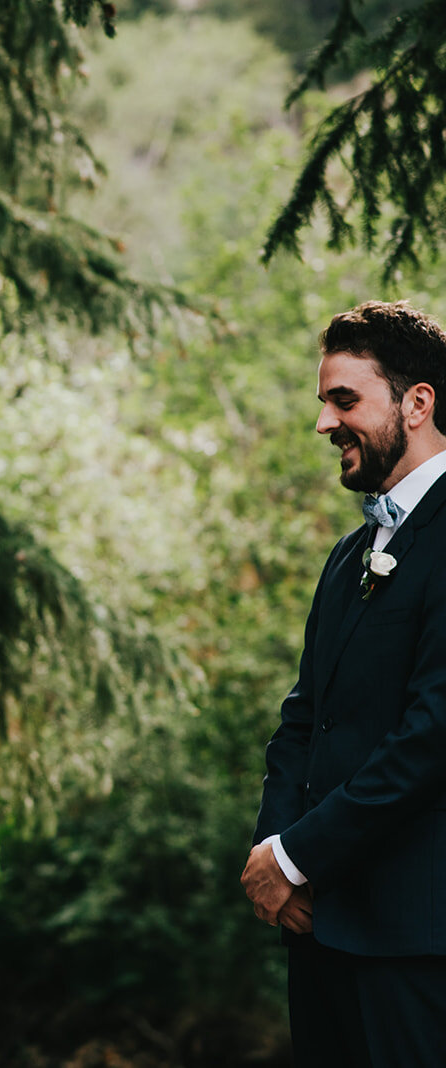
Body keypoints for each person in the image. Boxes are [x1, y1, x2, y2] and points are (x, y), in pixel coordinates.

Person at [242, 301, 446, 1067]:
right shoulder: (348, 554)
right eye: (324, 401)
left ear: (417, 402)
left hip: (416, 941)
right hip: (320, 928)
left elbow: (431, 737)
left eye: (344, 399)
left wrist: (298, 855)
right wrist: (273, 853)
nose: (323, 422)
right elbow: (304, 720)